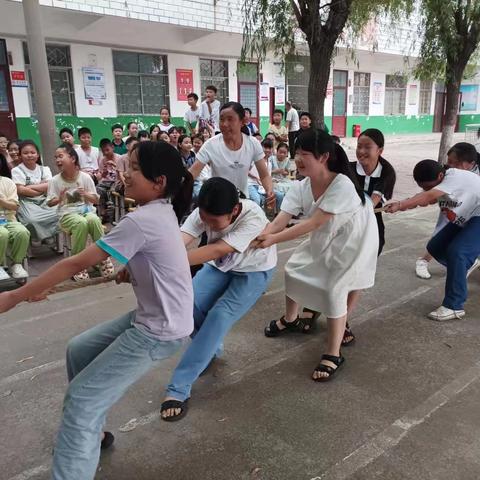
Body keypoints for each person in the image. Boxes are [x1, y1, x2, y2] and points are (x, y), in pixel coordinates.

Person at [0, 140, 194, 480]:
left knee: (81, 400)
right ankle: (95, 433)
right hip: (156, 319)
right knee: (80, 350)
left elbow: (77, 261)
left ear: (159, 181)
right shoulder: (159, 212)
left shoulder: (142, 219)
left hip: (158, 330)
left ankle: (80, 441)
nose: (125, 173)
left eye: (134, 168)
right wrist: (131, 268)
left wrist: (15, 297)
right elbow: (156, 259)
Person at [258, 129, 378, 382]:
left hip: (354, 238)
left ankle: (333, 353)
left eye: (305, 155)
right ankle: (291, 319)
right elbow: (281, 220)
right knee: (294, 269)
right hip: (328, 233)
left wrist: (272, 241)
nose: (298, 160)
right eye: (296, 154)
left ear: (323, 157)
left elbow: (314, 223)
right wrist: (262, 235)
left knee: (335, 287)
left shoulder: (342, 184)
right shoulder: (301, 186)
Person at [160, 177, 277, 421]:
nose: (208, 224)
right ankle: (209, 348)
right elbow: (180, 241)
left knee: (219, 317)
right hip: (220, 267)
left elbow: (217, 249)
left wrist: (167, 263)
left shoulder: (252, 216)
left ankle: (178, 388)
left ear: (234, 210)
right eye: (204, 218)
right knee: (186, 306)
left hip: (253, 271)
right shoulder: (202, 212)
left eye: (214, 221)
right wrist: (158, 256)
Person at [386, 159, 480, 321]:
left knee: (458, 252)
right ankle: (468, 261)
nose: (426, 189)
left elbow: (428, 195)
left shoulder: (453, 178)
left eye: (428, 186)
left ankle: (454, 306)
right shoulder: (441, 185)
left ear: (440, 175)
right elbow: (425, 198)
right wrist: (401, 205)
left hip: (477, 217)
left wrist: (401, 204)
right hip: (468, 216)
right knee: (436, 246)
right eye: (423, 187)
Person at [48, 143, 113, 281]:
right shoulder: (54, 181)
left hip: (86, 210)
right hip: (66, 215)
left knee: (93, 219)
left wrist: (85, 195)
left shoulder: (85, 177)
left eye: (60, 156)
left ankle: (103, 258)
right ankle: (78, 264)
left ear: (72, 158)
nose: (57, 160)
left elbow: (95, 200)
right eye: (56, 157)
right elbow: (50, 203)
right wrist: (60, 198)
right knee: (81, 223)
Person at [415, 142, 480, 280]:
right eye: (448, 161)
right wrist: (413, 202)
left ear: (470, 164)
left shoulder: (473, 175)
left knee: (462, 247)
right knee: (441, 234)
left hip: (474, 212)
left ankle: (467, 263)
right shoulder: (447, 174)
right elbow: (429, 195)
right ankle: (424, 260)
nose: (449, 166)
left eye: (454, 163)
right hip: (453, 208)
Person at [189, 102, 274, 205]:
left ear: (242, 122)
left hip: (242, 201)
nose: (224, 124)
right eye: (221, 119)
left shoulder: (253, 144)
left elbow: (264, 175)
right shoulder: (210, 145)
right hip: (217, 202)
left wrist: (269, 191)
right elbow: (192, 173)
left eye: (230, 119)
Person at [351, 129, 396, 255]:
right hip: (347, 221)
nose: (361, 151)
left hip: (372, 221)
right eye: (359, 146)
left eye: (367, 147)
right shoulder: (349, 170)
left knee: (371, 252)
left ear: (380, 151)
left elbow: (371, 203)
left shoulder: (387, 172)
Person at [11, 140, 58, 242]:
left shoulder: (45, 169)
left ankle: (48, 236)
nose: (29, 155)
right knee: (31, 220)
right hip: (26, 203)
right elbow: (20, 190)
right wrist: (41, 187)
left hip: (45, 200)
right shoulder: (16, 171)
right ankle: (36, 238)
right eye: (25, 153)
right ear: (20, 155)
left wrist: (29, 187)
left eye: (32, 152)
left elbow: (50, 186)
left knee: (58, 213)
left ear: (37, 155)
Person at [0, 153, 29, 280]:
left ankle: (17, 264)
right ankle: (1, 266)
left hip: (8, 219)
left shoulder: (7, 182)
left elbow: (14, 206)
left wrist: (2, 201)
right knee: (2, 234)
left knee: (22, 232)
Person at [248, 139, 284, 210]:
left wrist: (270, 190)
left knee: (280, 195)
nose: (267, 150)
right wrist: (255, 177)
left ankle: (276, 216)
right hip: (251, 184)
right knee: (257, 200)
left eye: (269, 148)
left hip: (262, 187)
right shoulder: (254, 159)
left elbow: (268, 177)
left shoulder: (269, 163)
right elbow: (245, 171)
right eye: (265, 147)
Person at [97, 139, 120, 222]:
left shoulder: (119, 158)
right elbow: (102, 176)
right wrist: (104, 172)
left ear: (112, 147)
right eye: (103, 151)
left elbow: (122, 173)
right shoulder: (102, 160)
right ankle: (102, 212)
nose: (105, 153)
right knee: (98, 188)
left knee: (112, 191)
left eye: (107, 150)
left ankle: (113, 213)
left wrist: (114, 165)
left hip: (116, 181)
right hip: (107, 181)